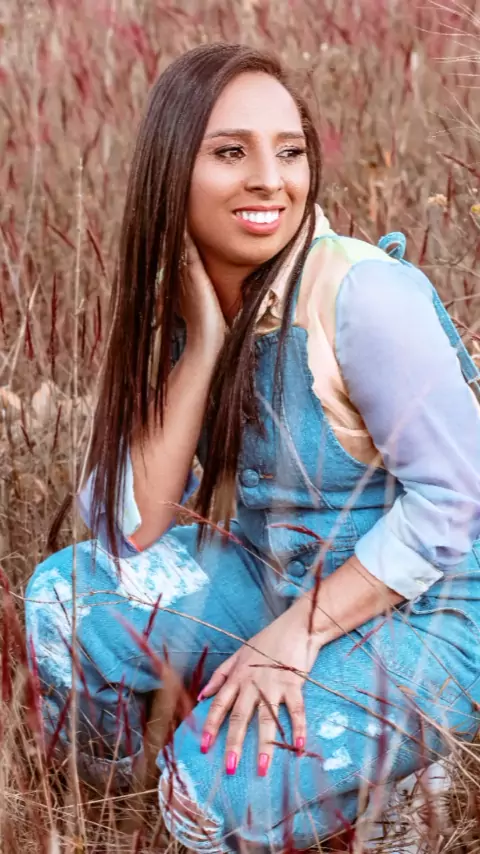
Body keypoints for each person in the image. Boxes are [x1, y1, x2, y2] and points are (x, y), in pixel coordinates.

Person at [26, 43, 480, 851]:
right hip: (275, 576)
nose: (271, 179)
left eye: (291, 151)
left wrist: (297, 635)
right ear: (173, 169)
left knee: (209, 795)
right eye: (231, 152)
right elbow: (121, 525)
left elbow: (457, 502)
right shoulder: (186, 299)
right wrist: (202, 343)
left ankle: (395, 783)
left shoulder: (364, 297)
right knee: (63, 607)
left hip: (428, 609)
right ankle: (129, 804)